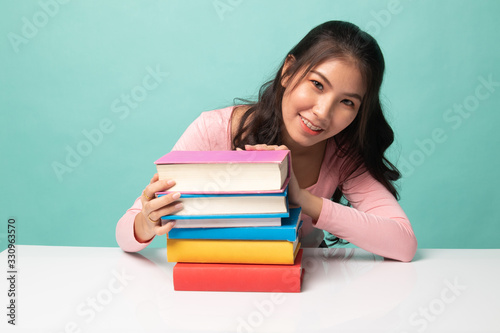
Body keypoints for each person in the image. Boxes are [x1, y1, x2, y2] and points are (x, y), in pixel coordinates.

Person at [116, 20, 417, 262]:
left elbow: (403, 243)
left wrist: (302, 198)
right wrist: (146, 221)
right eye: (316, 84)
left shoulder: (342, 155)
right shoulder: (214, 130)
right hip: (217, 283)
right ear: (288, 71)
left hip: (308, 292)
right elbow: (125, 232)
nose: (323, 113)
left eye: (347, 102)